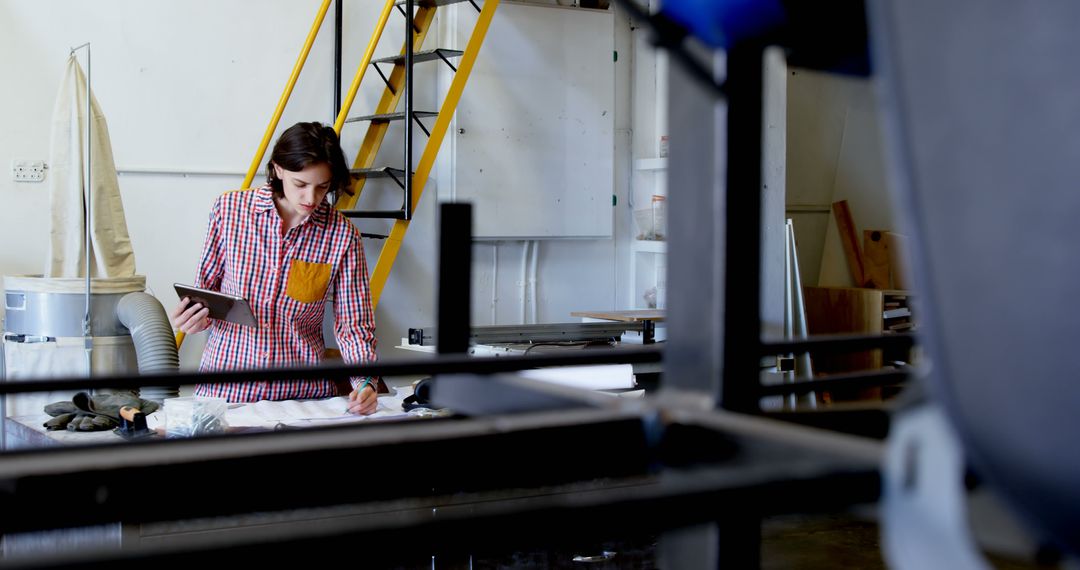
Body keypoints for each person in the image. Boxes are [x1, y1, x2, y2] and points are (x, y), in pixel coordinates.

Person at [171, 122, 378, 415]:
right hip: (227, 392)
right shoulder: (229, 211)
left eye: (322, 187)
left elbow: (354, 326)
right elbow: (205, 295)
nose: (311, 199)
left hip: (301, 398)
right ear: (278, 170)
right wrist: (193, 319)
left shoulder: (342, 236)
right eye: (300, 184)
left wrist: (365, 381)